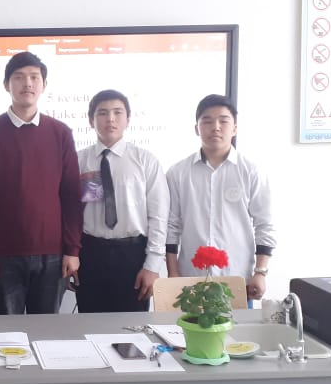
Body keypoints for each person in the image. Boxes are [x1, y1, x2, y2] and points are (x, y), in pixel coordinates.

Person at [0, 51, 82, 314]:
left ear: (44, 84)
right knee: (6, 332)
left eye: (34, 77)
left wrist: (72, 250)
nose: (27, 83)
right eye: (19, 77)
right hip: (3, 257)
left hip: (52, 256)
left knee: (46, 331)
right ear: (6, 85)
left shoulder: (60, 133)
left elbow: (71, 195)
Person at [165, 94, 274, 300]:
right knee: (188, 321)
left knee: (237, 323)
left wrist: (260, 272)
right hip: (190, 278)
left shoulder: (251, 171)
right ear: (196, 128)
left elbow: (264, 224)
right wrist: (173, 272)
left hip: (237, 278)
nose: (215, 127)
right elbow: (171, 226)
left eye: (223, 121)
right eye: (207, 121)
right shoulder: (177, 173)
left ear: (234, 128)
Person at [76, 89, 169, 312]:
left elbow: (159, 216)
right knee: (89, 323)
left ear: (128, 119)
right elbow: (69, 214)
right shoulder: (78, 160)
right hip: (90, 253)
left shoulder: (145, 160)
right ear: (91, 120)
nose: (110, 119)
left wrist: (152, 265)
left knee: (131, 326)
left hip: (133, 255)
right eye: (102, 113)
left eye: (117, 112)